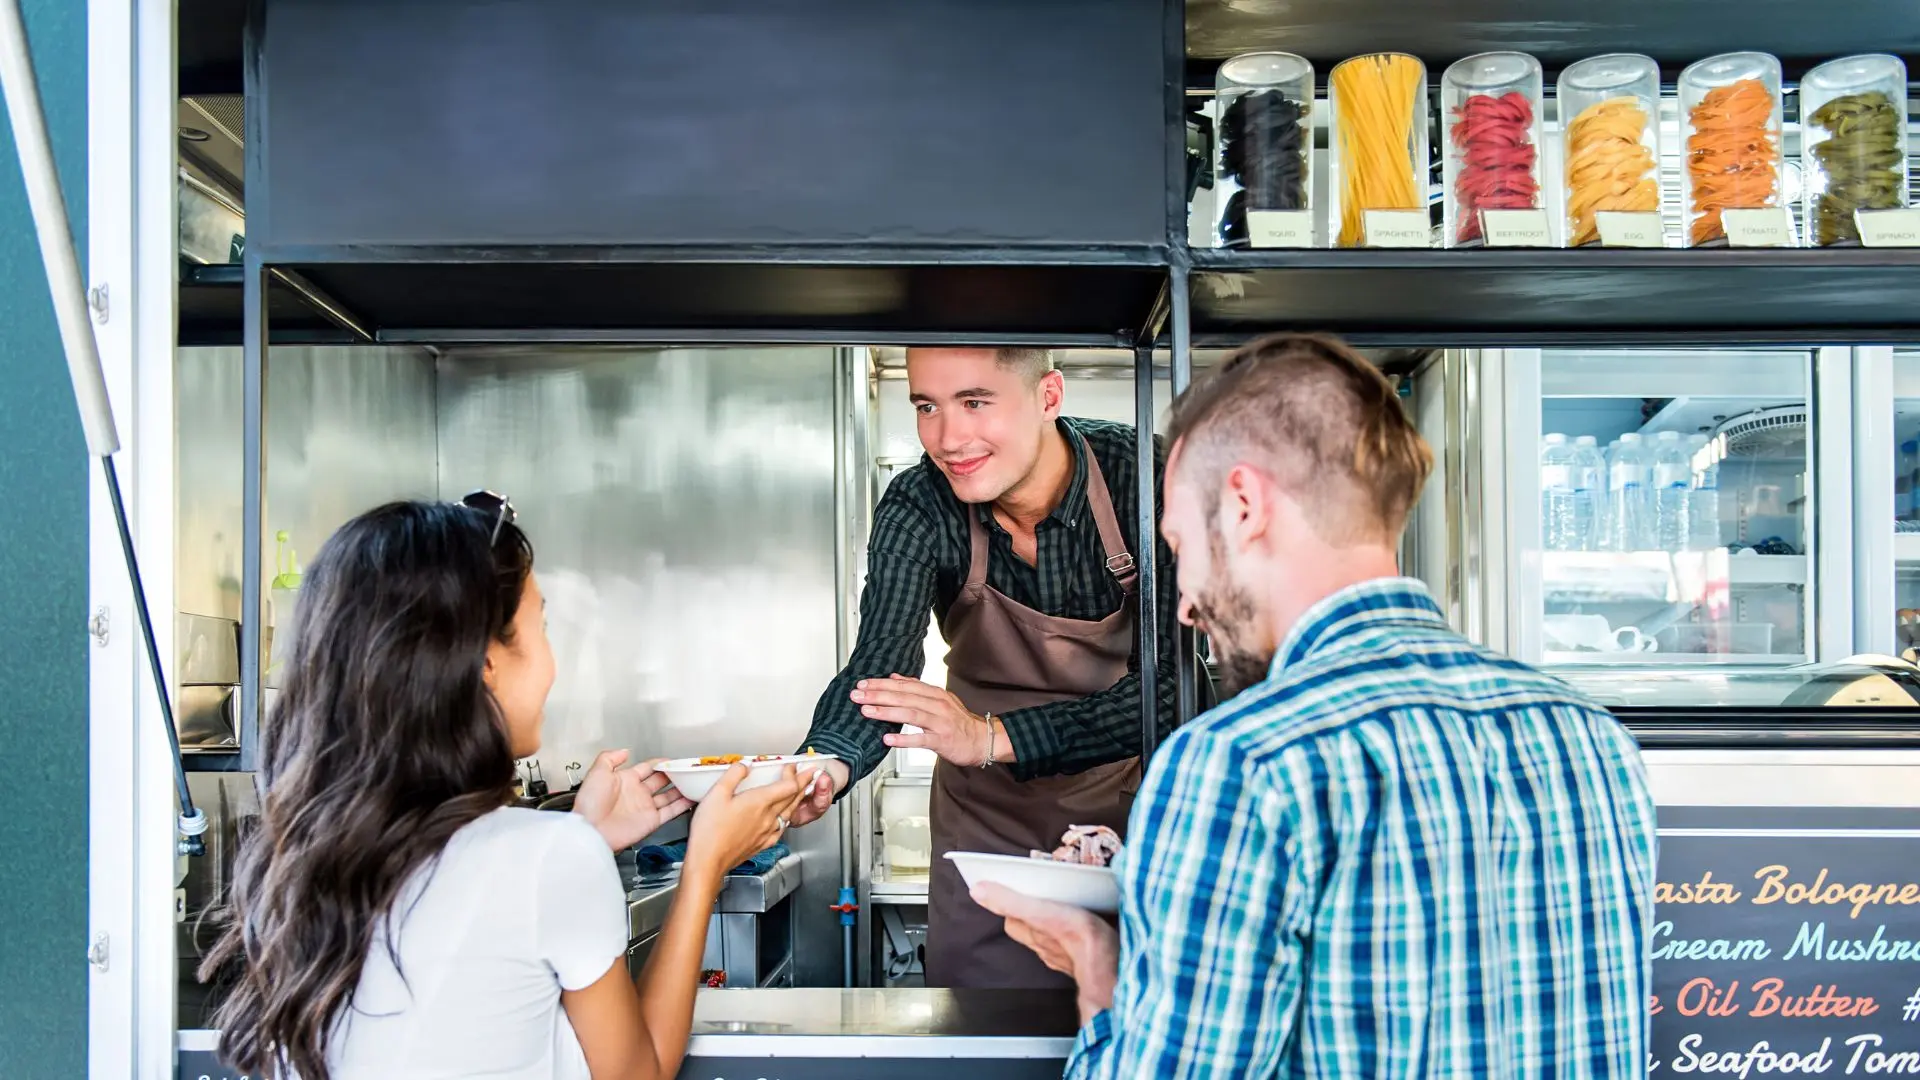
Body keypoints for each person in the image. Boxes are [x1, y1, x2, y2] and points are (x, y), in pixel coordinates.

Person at [976, 333, 1660, 1077]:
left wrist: (1098, 968)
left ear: (1242, 506)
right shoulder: (1590, 739)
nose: (1185, 604)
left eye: (1182, 547)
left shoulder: (1242, 762)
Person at [199, 496, 807, 1080]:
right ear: (485, 661)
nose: (552, 664)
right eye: (538, 628)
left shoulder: (293, 858)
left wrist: (586, 834)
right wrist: (706, 865)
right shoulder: (548, 857)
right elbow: (635, 1073)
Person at [787, 346, 1201, 988]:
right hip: (984, 830)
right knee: (978, 1029)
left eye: (975, 402)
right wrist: (822, 765)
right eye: (927, 406)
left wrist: (990, 737)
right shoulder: (921, 501)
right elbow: (880, 666)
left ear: (1049, 397)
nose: (949, 439)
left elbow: (1181, 691)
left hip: (1129, 821)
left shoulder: (1145, 479)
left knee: (1130, 1010)